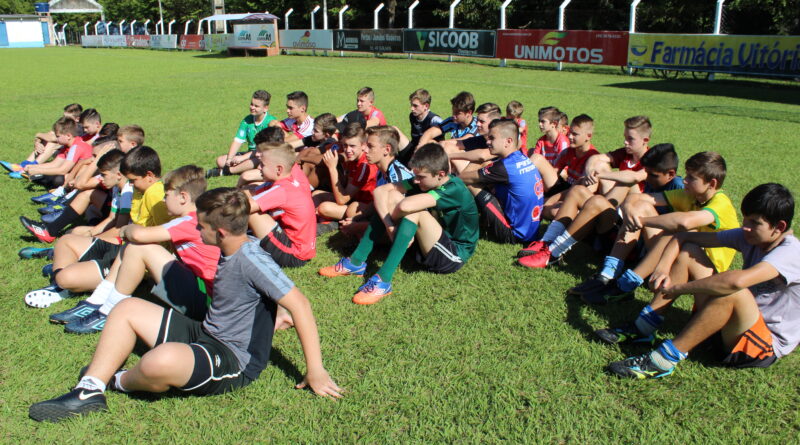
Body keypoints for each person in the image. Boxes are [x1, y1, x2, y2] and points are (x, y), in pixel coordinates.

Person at [28, 187, 341, 423]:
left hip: (232, 360)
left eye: (200, 226)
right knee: (125, 309)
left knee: (157, 362)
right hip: (205, 331)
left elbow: (300, 304)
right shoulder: (230, 248)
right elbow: (257, 301)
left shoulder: (251, 258)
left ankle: (118, 381)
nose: (196, 230)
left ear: (219, 232)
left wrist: (315, 370)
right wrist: (273, 316)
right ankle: (89, 390)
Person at [602, 183, 798, 379]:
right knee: (689, 252)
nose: (745, 226)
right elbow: (684, 237)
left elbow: (735, 283)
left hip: (761, 346)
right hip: (730, 327)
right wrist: (662, 267)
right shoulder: (749, 236)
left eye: (754, 222)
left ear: (779, 227)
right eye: (745, 218)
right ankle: (644, 327)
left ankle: (663, 360)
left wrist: (679, 288)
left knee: (733, 290)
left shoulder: (790, 253)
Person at [53, 165, 221, 333]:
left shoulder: (187, 221)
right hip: (205, 296)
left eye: (167, 195)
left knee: (139, 247)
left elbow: (139, 235)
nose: (163, 200)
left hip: (206, 302)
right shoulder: (197, 218)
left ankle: (109, 309)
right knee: (133, 245)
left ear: (183, 197)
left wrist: (126, 230)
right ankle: (100, 298)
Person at [319, 143, 479, 305]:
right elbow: (380, 192)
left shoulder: (453, 188)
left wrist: (390, 220)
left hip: (453, 254)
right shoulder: (426, 179)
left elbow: (405, 206)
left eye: (421, 177)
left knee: (414, 210)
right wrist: (389, 225)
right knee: (392, 196)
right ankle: (356, 261)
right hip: (431, 241)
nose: (416, 180)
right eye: (415, 176)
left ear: (441, 174)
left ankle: (383, 281)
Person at [582, 151, 739, 303]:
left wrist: (642, 222)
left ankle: (624, 286)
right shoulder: (689, 194)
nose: (684, 180)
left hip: (705, 272)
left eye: (691, 178)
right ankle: (608, 274)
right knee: (641, 207)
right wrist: (630, 210)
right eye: (686, 175)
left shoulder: (721, 204)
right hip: (674, 255)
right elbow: (638, 197)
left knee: (681, 231)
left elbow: (685, 222)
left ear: (712, 184)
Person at [568, 143, 684, 299]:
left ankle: (620, 280)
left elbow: (679, 230)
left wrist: (641, 218)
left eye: (653, 175)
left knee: (641, 209)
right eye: (647, 173)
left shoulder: (679, 188)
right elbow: (634, 193)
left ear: (671, 174)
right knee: (635, 205)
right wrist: (629, 209)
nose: (647, 179)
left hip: (664, 256)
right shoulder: (653, 181)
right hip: (644, 245)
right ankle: (607, 275)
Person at [20, 150, 132, 308]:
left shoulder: (128, 192)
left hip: (121, 251)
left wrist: (92, 239)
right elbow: (113, 219)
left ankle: (63, 280)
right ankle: (62, 281)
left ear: (119, 174)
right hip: (115, 243)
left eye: (104, 175)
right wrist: (92, 234)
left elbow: (120, 230)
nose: (101, 179)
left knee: (65, 276)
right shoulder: (118, 189)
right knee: (67, 239)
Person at [459, 119, 544, 245]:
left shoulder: (503, 167)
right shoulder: (521, 158)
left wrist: (476, 161)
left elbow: (462, 178)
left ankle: (463, 221)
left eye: (492, 138)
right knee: (486, 175)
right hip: (532, 232)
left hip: (515, 235)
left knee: (472, 183)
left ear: (508, 141)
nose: (487, 142)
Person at [248, 142, 316, 267]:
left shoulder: (281, 190)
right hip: (302, 248)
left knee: (251, 213)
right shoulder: (288, 179)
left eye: (263, 164)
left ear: (279, 169)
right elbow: (249, 192)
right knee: (249, 196)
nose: (258, 168)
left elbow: (246, 207)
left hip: (294, 255)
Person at [313, 123, 378, 226]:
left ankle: (325, 219)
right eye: (345, 145)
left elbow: (341, 200)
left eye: (352, 146)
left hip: (364, 206)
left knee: (324, 208)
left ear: (363, 145)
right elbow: (346, 189)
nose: (348, 150)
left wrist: (332, 168)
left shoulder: (364, 165)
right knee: (316, 194)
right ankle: (315, 217)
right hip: (352, 198)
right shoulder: (353, 158)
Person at [207, 90, 277, 178]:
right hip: (250, 153)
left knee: (254, 161)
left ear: (265, 108)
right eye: (251, 104)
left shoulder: (271, 122)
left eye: (256, 106)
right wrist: (229, 159)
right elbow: (238, 140)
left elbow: (266, 149)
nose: (252, 107)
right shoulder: (247, 120)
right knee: (220, 161)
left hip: (263, 155)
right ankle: (242, 168)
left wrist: (242, 158)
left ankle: (226, 172)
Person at [1, 103, 83, 173]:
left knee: (52, 143)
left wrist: (38, 134)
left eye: (67, 118)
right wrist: (37, 142)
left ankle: (29, 167)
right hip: (64, 153)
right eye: (63, 116)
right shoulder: (67, 125)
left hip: (73, 156)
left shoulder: (78, 128)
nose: (64, 119)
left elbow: (51, 138)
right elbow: (49, 134)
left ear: (77, 119)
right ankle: (24, 164)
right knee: (50, 137)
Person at [20, 117, 93, 188]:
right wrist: (33, 167)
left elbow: (63, 170)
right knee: (51, 176)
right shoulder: (67, 145)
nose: (56, 139)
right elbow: (54, 164)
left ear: (68, 136)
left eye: (58, 136)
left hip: (83, 176)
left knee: (57, 179)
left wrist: (38, 170)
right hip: (73, 174)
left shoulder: (76, 147)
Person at [293, 113, 341, 190]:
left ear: (327, 135)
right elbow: (292, 145)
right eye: (313, 128)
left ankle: (299, 187)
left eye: (316, 130)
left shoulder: (330, 143)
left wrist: (301, 158)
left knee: (308, 155)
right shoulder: (314, 138)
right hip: (307, 173)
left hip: (324, 181)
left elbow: (324, 160)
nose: (312, 132)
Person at [396, 88, 442, 165]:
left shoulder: (435, 120)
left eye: (415, 106)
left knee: (430, 142)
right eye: (411, 105)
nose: (412, 108)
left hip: (429, 155)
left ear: (426, 106)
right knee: (394, 130)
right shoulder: (412, 116)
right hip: (413, 149)